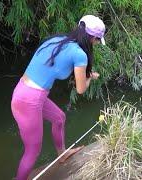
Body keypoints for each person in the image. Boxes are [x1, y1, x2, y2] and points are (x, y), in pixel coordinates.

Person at [10, 15, 106, 180]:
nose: (97, 43)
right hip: (30, 101)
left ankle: (62, 154)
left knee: (59, 118)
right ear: (92, 38)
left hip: (25, 92)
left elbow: (55, 66)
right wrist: (90, 78)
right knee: (32, 152)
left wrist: (87, 74)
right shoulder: (80, 55)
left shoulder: (58, 40)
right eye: (97, 40)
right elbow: (81, 89)